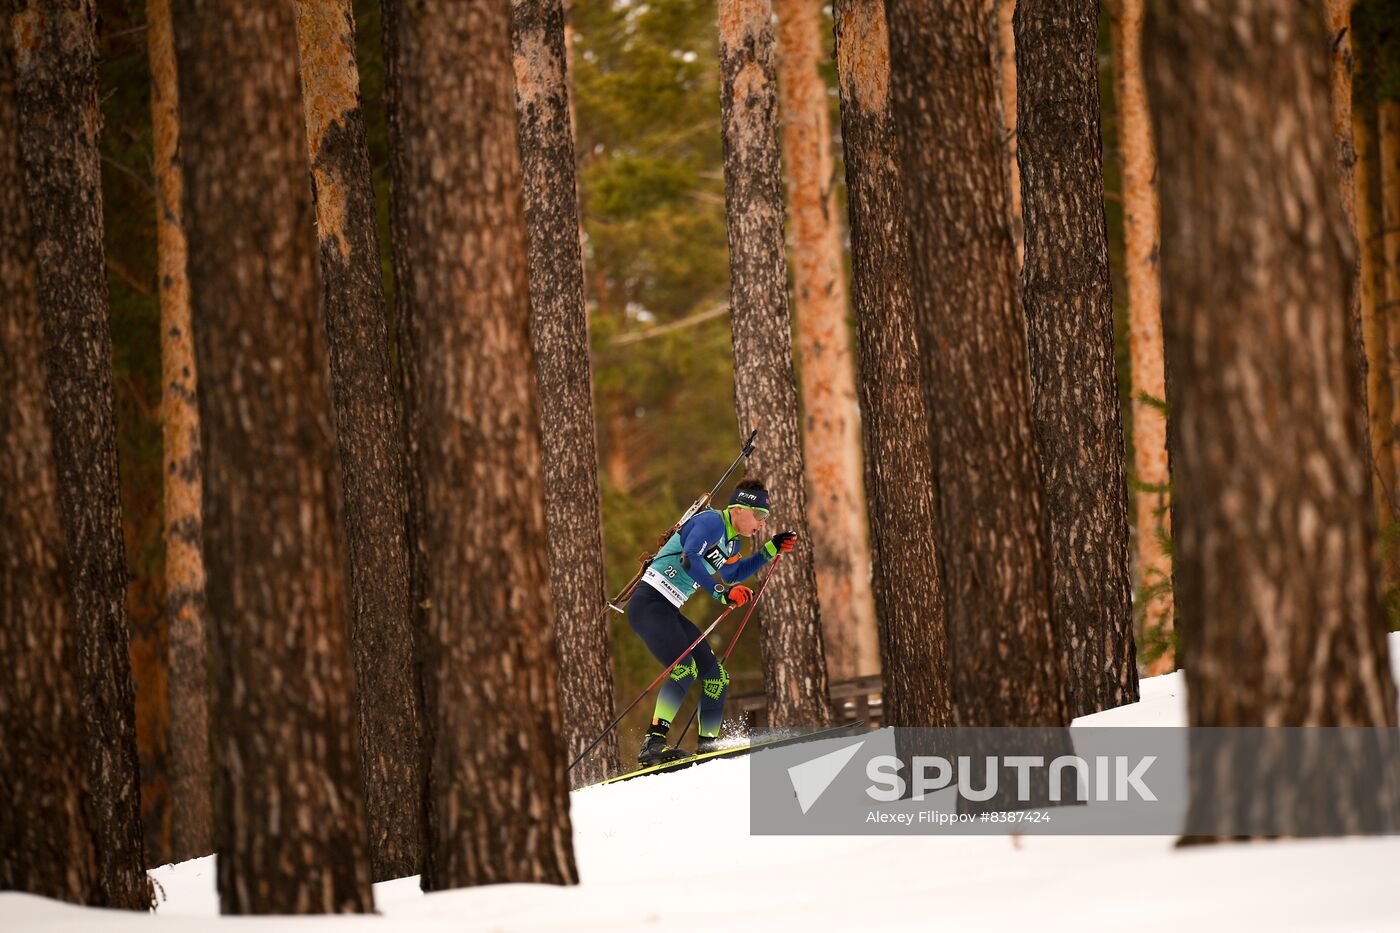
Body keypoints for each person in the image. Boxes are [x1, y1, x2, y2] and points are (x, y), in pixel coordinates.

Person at [628, 478, 798, 766]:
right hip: (650, 603)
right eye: (759, 516)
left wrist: (770, 548)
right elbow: (688, 558)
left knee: (716, 676)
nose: (761, 524)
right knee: (684, 669)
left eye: (765, 519)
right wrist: (721, 594)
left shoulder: (731, 542)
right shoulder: (712, 522)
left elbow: (733, 574)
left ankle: (709, 745)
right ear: (739, 509)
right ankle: (653, 743)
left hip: (669, 609)